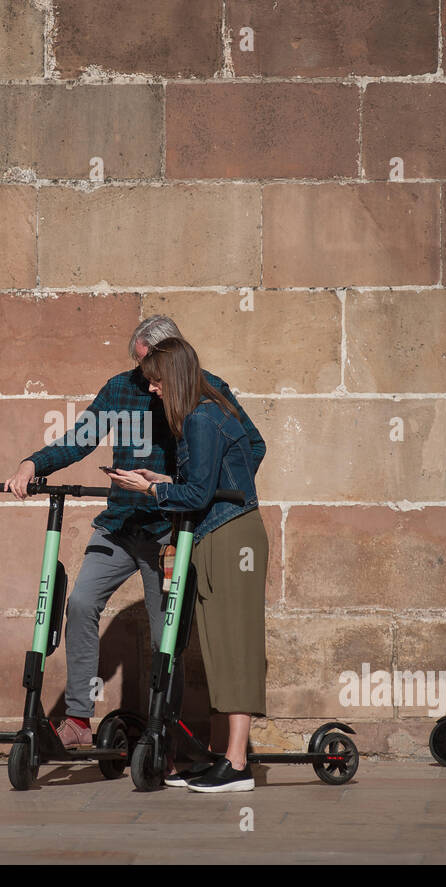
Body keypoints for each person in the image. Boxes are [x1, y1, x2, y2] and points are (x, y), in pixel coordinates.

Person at [4, 316, 265, 772]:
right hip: (121, 523)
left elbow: (252, 447)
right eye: (140, 366)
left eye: (151, 367)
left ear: (173, 359)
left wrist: (204, 492)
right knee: (81, 603)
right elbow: (80, 440)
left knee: (167, 634)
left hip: (169, 526)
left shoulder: (206, 392)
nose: (146, 380)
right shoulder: (121, 388)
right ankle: (79, 719)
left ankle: (164, 730)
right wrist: (32, 463)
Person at [109, 336, 268, 793]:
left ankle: (237, 765)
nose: (153, 390)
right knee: (219, 646)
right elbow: (209, 478)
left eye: (156, 382)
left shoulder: (201, 417)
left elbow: (199, 494)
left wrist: (152, 492)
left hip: (230, 534)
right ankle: (226, 757)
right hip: (218, 531)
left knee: (235, 644)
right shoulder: (206, 413)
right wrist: (166, 480)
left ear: (173, 378)